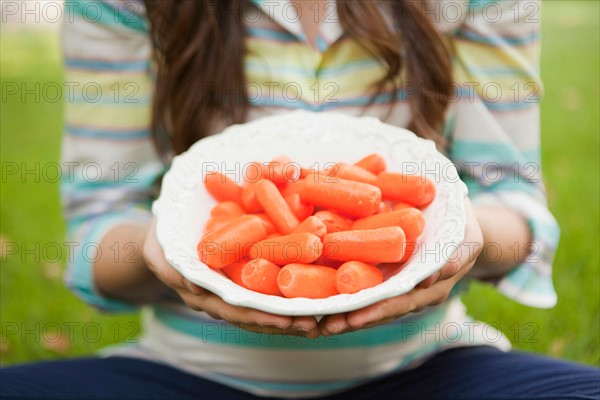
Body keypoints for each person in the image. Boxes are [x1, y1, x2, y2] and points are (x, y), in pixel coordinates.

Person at [2, 1, 598, 399]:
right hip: (188, 373)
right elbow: (95, 237)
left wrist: (465, 232)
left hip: (426, 368)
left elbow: (517, 206)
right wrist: (161, 250)